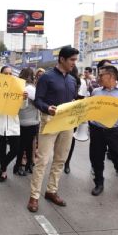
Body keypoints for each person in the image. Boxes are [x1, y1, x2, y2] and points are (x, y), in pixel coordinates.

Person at [27, 46, 79, 213]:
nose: (74, 63)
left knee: (60, 159)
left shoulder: (72, 80)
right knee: (42, 160)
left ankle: (51, 191)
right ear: (62, 59)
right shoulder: (47, 77)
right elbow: (38, 101)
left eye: (75, 60)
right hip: (49, 120)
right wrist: (47, 108)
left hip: (67, 122)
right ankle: (34, 196)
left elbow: (73, 100)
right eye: (72, 60)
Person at [89, 65, 118, 202]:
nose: (98, 78)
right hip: (97, 130)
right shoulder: (96, 91)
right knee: (96, 159)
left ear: (111, 76)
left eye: (101, 75)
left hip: (114, 131)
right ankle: (99, 183)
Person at [0, 66, 22, 182]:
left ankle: (2, 166)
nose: (8, 76)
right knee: (1, 149)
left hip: (13, 124)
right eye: (5, 73)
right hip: (0, 123)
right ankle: (4, 171)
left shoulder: (17, 89)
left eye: (10, 74)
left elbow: (22, 107)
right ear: (1, 75)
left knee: (15, 149)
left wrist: (23, 99)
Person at [15, 68, 39, 175]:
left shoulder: (20, 86)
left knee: (25, 145)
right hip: (30, 120)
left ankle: (26, 165)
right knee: (26, 146)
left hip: (22, 120)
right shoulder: (29, 88)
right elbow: (39, 100)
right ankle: (20, 166)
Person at [63, 66, 84, 174]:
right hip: (61, 112)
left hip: (73, 113)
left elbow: (81, 97)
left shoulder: (78, 81)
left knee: (71, 139)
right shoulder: (59, 78)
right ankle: (64, 161)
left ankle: (67, 163)